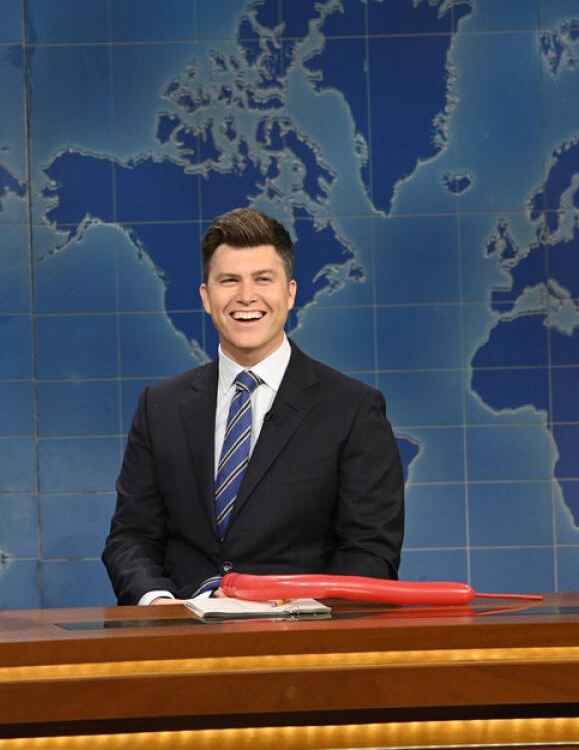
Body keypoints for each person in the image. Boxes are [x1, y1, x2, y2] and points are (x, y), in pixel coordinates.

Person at [102, 208, 404, 605]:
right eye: (229, 281)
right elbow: (131, 537)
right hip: (184, 638)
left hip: (303, 644)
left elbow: (370, 551)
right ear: (207, 298)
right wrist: (160, 606)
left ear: (290, 293)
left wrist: (303, 614)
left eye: (263, 279)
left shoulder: (352, 409)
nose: (246, 296)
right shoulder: (160, 407)